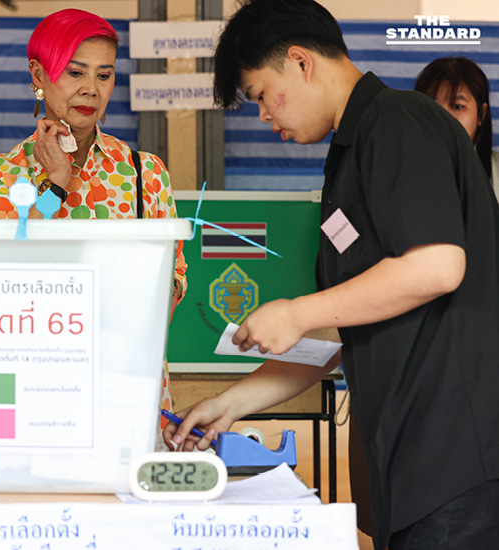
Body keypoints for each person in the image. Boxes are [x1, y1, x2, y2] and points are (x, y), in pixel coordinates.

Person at [163, 1, 499, 550]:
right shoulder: (350, 155)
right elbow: (342, 325)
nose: (267, 118)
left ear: (300, 61)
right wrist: (230, 404)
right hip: (410, 462)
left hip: (457, 458)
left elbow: (438, 266)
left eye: (263, 96)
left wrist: (297, 311)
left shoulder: (398, 121)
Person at [0, 8, 188, 432]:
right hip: (34, 389)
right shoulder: (0, 174)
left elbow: (174, 277)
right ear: (38, 74)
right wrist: (56, 184)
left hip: (128, 389)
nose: (91, 89)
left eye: (104, 76)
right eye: (75, 73)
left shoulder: (145, 173)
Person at [414, 56, 499, 192]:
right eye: (430, 106)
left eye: (457, 106)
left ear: (481, 115)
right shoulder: (395, 171)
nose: (442, 117)